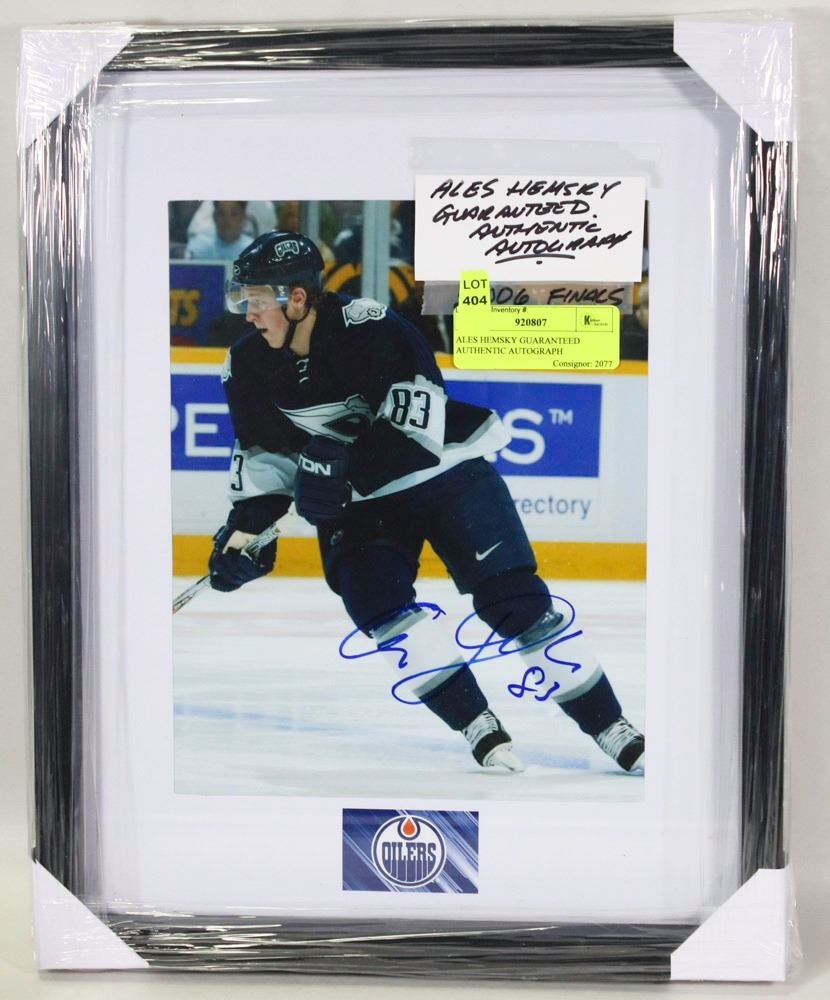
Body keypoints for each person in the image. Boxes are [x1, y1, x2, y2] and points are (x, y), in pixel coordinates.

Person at [207, 230, 645, 775]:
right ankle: (476, 723)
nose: (248, 313)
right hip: (361, 504)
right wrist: (245, 537)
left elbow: (413, 438)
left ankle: (610, 725)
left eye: (256, 300)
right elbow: (265, 457)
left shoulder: (375, 329)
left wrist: (339, 471)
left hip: (445, 471)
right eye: (243, 300)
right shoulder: (246, 364)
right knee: (375, 604)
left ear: (297, 298)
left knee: (513, 602)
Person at [185, 201, 254, 261]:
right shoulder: (198, 246)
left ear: (243, 217)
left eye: (234, 214)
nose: (227, 220)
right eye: (221, 213)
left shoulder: (253, 249)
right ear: (214, 217)